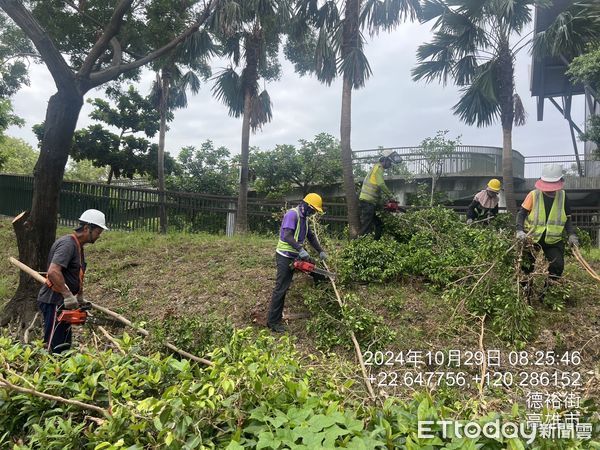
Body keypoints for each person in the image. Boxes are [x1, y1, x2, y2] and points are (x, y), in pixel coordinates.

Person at [37, 209, 109, 353]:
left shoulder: (78, 247)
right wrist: (67, 295)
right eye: (98, 232)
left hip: (63, 303)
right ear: (87, 228)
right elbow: (53, 271)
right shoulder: (67, 244)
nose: (99, 236)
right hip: (54, 301)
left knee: (64, 347)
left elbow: (76, 273)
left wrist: (79, 296)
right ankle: (49, 372)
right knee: (54, 346)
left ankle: (60, 373)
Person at [267, 193, 327, 333]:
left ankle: (322, 303)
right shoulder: (292, 215)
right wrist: (300, 249)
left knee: (317, 272)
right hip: (285, 256)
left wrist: (321, 251)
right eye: (313, 210)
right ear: (306, 205)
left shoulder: (305, 219)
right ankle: (273, 322)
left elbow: (311, 237)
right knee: (281, 288)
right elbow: (287, 236)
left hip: (297, 254)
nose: (313, 213)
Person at [515, 164, 578, 296]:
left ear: (561, 182)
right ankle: (525, 295)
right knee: (526, 266)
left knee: (557, 266)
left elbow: (568, 219)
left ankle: (546, 295)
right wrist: (519, 230)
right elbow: (521, 214)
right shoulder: (533, 195)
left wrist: (571, 234)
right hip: (532, 238)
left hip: (553, 241)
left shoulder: (563, 197)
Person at [359, 149, 397, 239]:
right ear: (385, 160)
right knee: (366, 227)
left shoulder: (377, 168)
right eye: (390, 163)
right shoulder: (379, 168)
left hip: (370, 202)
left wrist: (383, 202)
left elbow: (376, 187)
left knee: (379, 224)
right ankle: (361, 244)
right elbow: (381, 184)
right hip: (367, 202)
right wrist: (391, 196)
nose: (390, 165)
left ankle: (375, 243)